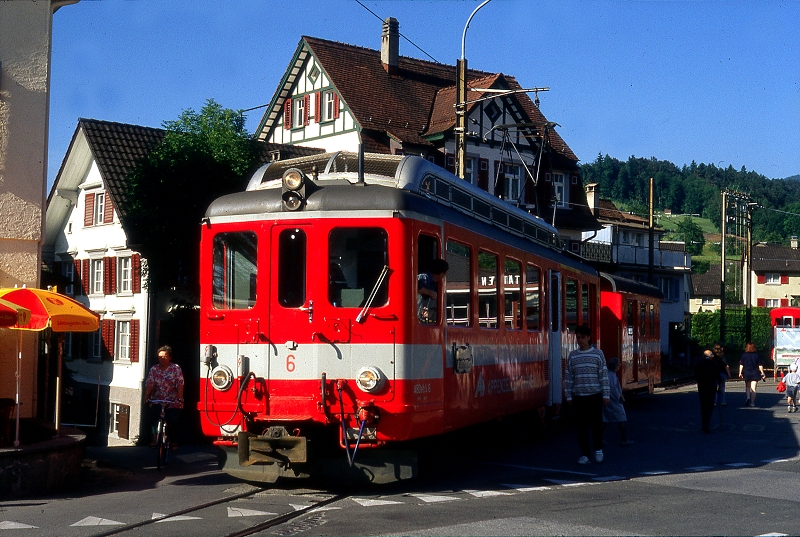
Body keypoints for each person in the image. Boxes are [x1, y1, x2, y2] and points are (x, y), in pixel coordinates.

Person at [565, 325, 610, 465]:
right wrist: (568, 396)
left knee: (596, 425)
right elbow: (568, 377)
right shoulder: (573, 356)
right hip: (579, 396)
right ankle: (585, 454)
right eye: (578, 337)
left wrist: (606, 394)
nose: (580, 340)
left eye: (582, 337)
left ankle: (598, 450)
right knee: (581, 428)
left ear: (589, 337)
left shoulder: (598, 354)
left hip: (594, 395)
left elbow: (603, 375)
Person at [144, 345, 185, 450]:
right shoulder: (154, 369)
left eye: (165, 356)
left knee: (172, 419)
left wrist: (179, 397)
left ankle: (173, 440)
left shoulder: (175, 368)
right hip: (158, 399)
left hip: (172, 399)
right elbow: (150, 383)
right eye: (160, 357)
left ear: (170, 357)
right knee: (153, 416)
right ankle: (154, 438)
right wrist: (147, 396)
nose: (162, 359)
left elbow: (180, 383)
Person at [603, 357, 633, 446]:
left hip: (607, 400)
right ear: (616, 366)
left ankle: (599, 439)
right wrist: (619, 397)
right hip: (613, 400)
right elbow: (613, 389)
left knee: (604, 419)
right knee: (621, 417)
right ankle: (624, 440)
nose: (620, 365)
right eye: (619, 364)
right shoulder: (612, 376)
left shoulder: (607, 374)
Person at [417, 258, 449, 323]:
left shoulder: (435, 284)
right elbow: (414, 287)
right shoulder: (424, 277)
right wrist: (430, 293)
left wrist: (430, 310)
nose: (444, 276)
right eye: (444, 273)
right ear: (441, 273)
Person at [696, 349, 719, 433]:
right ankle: (707, 424)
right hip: (711, 386)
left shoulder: (699, 363)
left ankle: (703, 424)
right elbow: (718, 376)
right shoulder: (714, 364)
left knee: (703, 405)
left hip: (702, 386)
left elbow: (696, 374)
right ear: (710, 356)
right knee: (709, 406)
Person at [738, 342, 765, 407]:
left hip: (747, 372)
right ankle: (752, 403)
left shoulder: (744, 355)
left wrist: (740, 372)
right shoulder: (757, 355)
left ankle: (748, 397)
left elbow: (741, 365)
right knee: (754, 389)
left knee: (747, 387)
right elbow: (760, 365)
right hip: (755, 372)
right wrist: (762, 373)